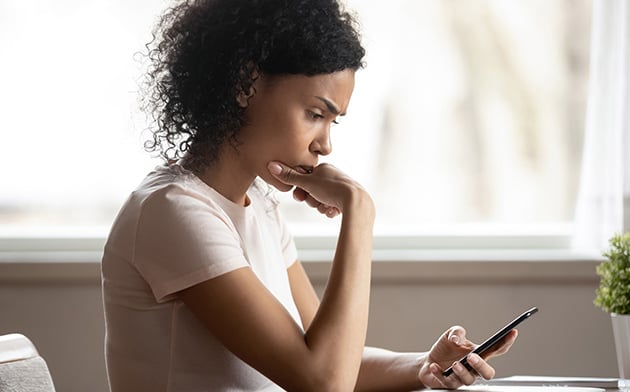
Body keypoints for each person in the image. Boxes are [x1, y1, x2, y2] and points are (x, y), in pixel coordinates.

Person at [101, 0, 517, 391]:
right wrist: (360, 212)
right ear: (246, 84)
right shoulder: (174, 211)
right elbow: (323, 381)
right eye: (315, 114)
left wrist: (424, 365)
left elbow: (325, 357)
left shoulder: (259, 206)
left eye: (333, 122)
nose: (325, 146)